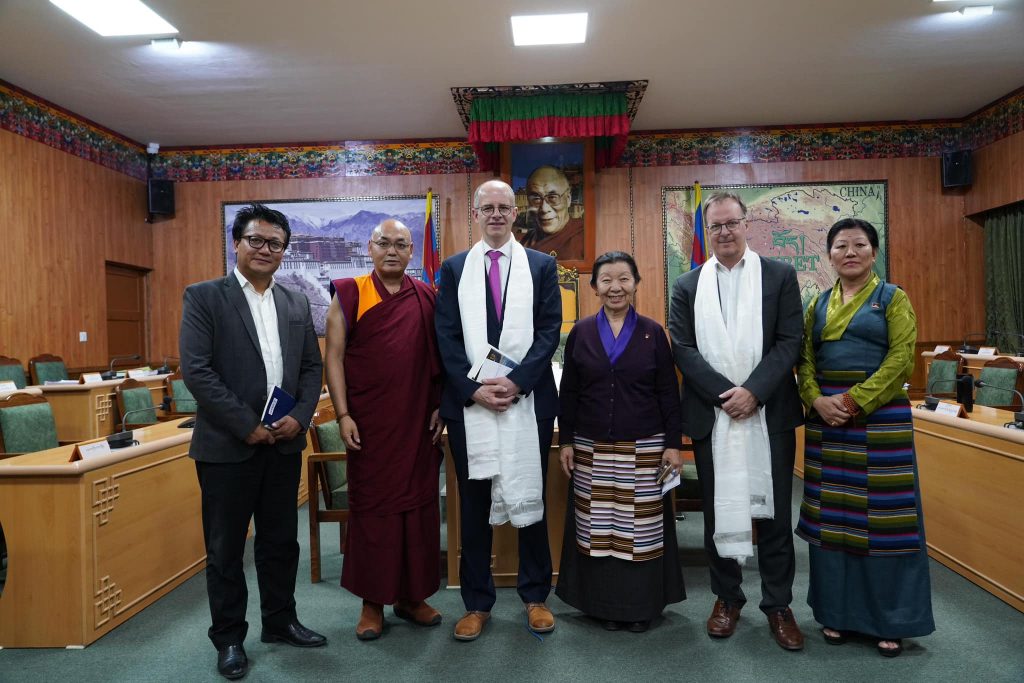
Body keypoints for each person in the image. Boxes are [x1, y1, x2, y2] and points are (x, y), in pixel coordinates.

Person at [180, 203, 326, 680]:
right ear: (236, 244)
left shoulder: (295, 302)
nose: (265, 249)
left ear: (285, 250)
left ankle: (280, 622)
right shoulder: (204, 297)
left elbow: (311, 368)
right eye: (256, 240)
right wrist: (247, 425)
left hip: (283, 444)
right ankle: (229, 639)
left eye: (275, 243)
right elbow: (197, 371)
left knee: (281, 542)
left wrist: (299, 418)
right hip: (228, 448)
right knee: (225, 550)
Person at [668, 191, 806, 651]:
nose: (724, 232)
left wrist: (754, 392)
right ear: (707, 231)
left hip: (770, 413)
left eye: (732, 223)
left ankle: (779, 604)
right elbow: (682, 347)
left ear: (747, 224)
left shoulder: (779, 275)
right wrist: (726, 396)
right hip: (713, 415)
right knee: (718, 509)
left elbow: (790, 340)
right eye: (716, 226)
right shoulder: (687, 284)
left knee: (775, 514)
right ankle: (727, 598)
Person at [795, 218, 934, 657]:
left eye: (859, 245)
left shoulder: (893, 298)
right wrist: (816, 400)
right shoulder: (817, 304)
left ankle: (889, 620)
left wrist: (853, 402)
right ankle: (836, 614)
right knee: (833, 520)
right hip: (827, 427)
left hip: (879, 422)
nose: (850, 252)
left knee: (884, 522)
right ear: (829, 255)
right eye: (841, 246)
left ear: (874, 252)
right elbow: (804, 361)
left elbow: (901, 359)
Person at [435, 179, 562, 641]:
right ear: (476, 214)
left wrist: (517, 381)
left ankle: (535, 596)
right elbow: (446, 335)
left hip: (527, 400)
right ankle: (476, 603)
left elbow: (549, 330)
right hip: (470, 405)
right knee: (473, 505)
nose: (495, 214)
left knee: (531, 492)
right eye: (486, 207)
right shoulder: (454, 268)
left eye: (503, 207)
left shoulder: (541, 265)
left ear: (515, 213)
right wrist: (473, 390)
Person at [324, 218, 444, 641]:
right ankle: (372, 603)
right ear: (369, 248)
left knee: (419, 509)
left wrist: (442, 406)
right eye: (383, 243)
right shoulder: (350, 293)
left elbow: (442, 356)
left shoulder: (427, 296)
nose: (392, 251)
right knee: (374, 513)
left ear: (411, 251)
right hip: (370, 424)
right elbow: (334, 357)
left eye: (400, 244)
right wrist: (342, 414)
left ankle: (412, 597)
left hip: (417, 422)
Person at [555, 251, 686, 633]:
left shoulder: (652, 332)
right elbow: (570, 392)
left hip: (644, 447)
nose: (616, 287)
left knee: (639, 531)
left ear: (636, 284)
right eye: (607, 280)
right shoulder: (581, 332)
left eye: (624, 278)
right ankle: (602, 607)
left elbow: (668, 393)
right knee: (597, 529)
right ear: (594, 287)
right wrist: (566, 441)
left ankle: (639, 608)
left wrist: (673, 444)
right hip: (591, 447)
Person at [514, 165, 584, 261]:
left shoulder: (582, 238)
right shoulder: (527, 240)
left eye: (552, 197)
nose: (544, 209)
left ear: (568, 199)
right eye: (536, 199)